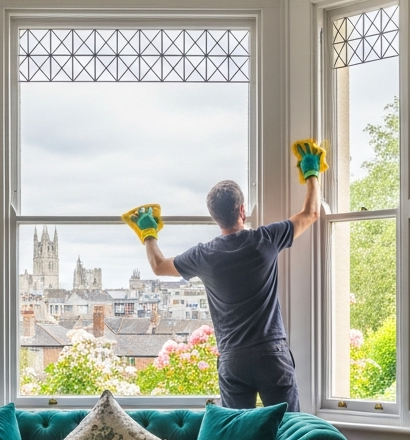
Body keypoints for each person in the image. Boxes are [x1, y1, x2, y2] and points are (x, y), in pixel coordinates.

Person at [129, 140, 328, 412]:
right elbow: (311, 213)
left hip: (233, 359)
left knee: (239, 435)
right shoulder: (265, 239)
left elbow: (159, 266)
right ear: (242, 210)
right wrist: (311, 172)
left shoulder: (204, 255)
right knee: (288, 429)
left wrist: (148, 232)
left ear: (214, 217)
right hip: (271, 353)